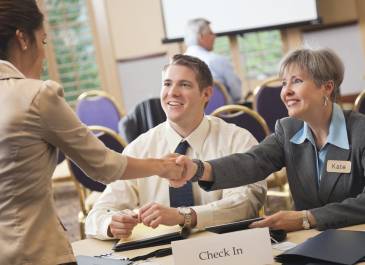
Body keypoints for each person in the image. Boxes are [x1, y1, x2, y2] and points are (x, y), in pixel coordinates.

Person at [0, 1, 182, 264]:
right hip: (31, 249)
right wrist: (161, 166)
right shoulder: (36, 96)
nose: (43, 53)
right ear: (22, 39)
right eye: (44, 41)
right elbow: (103, 166)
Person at [174, 47, 365, 232]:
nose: (286, 92)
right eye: (284, 83)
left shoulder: (360, 131)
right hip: (313, 241)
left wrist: (307, 218)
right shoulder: (289, 129)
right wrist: (198, 169)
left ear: (327, 87)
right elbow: (252, 162)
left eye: (296, 81)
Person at [85, 54, 266, 240]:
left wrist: (183, 216)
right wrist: (110, 224)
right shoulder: (139, 148)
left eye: (184, 85)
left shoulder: (237, 140)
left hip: (228, 250)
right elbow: (97, 215)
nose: (172, 92)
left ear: (206, 94)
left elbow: (245, 203)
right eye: (167, 84)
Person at [184, 18, 243, 103]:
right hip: (222, 115)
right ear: (201, 36)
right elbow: (237, 93)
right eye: (211, 33)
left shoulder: (176, 66)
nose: (215, 36)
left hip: (191, 115)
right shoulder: (218, 60)